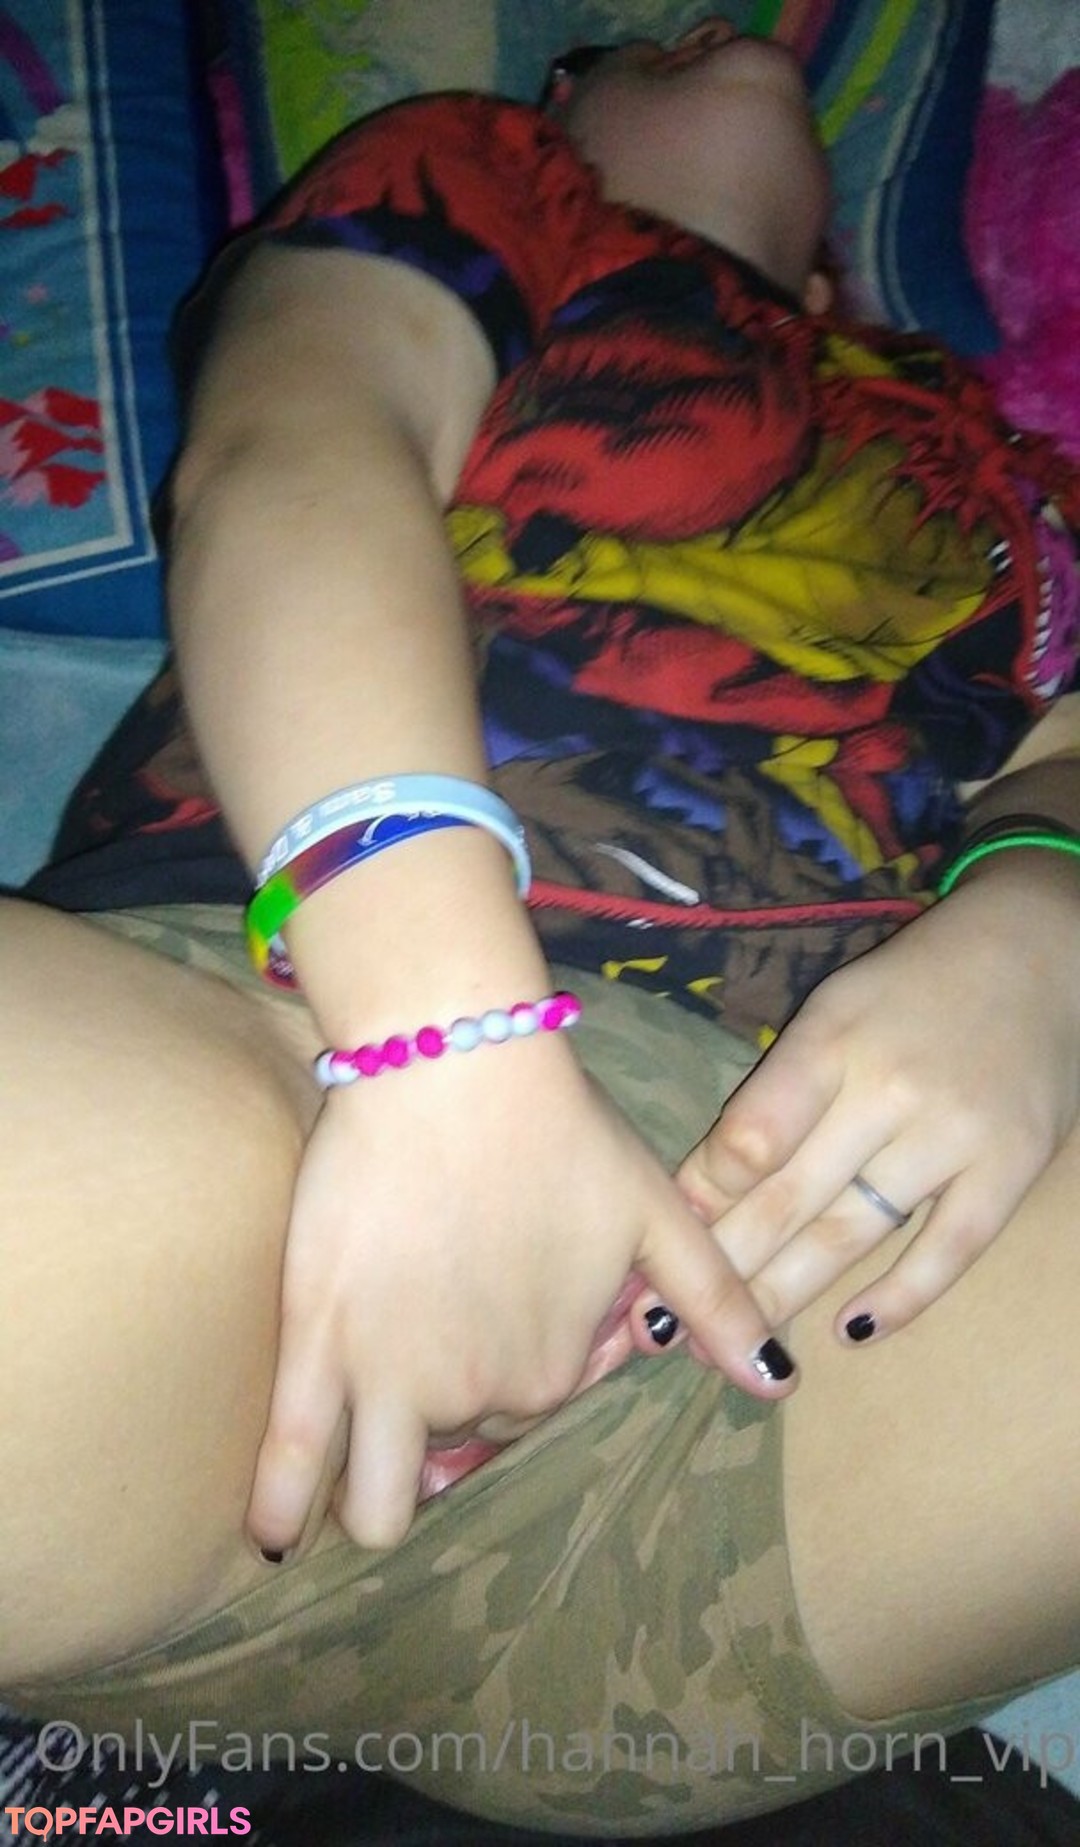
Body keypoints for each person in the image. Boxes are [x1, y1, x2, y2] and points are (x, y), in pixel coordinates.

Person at [3, 16, 1079, 1836]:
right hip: (291, 1076)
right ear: (563, 112)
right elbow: (296, 456)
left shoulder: (1016, 473)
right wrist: (451, 1053)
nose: (704, 24)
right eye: (612, 39)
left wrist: (1038, 924)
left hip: (792, 1324)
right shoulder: (491, 181)